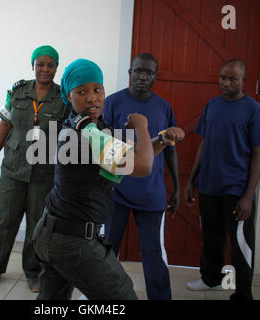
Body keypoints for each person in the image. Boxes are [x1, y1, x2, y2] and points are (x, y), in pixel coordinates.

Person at [32, 58, 185, 300]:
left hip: (55, 235)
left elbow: (130, 158)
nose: (92, 97)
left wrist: (161, 141)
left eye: (97, 90)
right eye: (81, 92)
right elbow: (143, 166)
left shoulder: (88, 126)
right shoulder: (88, 133)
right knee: (122, 295)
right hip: (73, 242)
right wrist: (141, 126)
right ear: (68, 96)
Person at [0, 45, 70, 292]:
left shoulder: (64, 98)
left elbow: (68, 137)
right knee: (4, 221)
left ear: (56, 68)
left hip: (44, 173)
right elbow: (4, 125)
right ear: (33, 66)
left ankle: (33, 272)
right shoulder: (17, 92)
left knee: (37, 224)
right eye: (40, 64)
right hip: (13, 169)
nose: (45, 69)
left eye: (50, 65)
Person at [184, 59, 260, 300]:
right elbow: (204, 143)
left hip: (236, 191)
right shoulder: (212, 105)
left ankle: (244, 294)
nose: (226, 82)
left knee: (240, 246)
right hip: (209, 186)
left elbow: (258, 156)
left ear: (244, 80)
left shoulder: (254, 111)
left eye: (232, 78)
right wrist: (192, 179)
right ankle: (211, 280)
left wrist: (248, 197)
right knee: (211, 238)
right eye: (223, 77)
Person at [103, 53, 180, 300]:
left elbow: (169, 148)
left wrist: (177, 187)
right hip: (116, 191)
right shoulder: (113, 103)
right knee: (105, 251)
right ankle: (97, 296)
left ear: (156, 76)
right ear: (130, 72)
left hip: (151, 194)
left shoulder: (164, 107)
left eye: (148, 72)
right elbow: (102, 146)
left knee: (154, 256)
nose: (143, 76)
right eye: (138, 71)